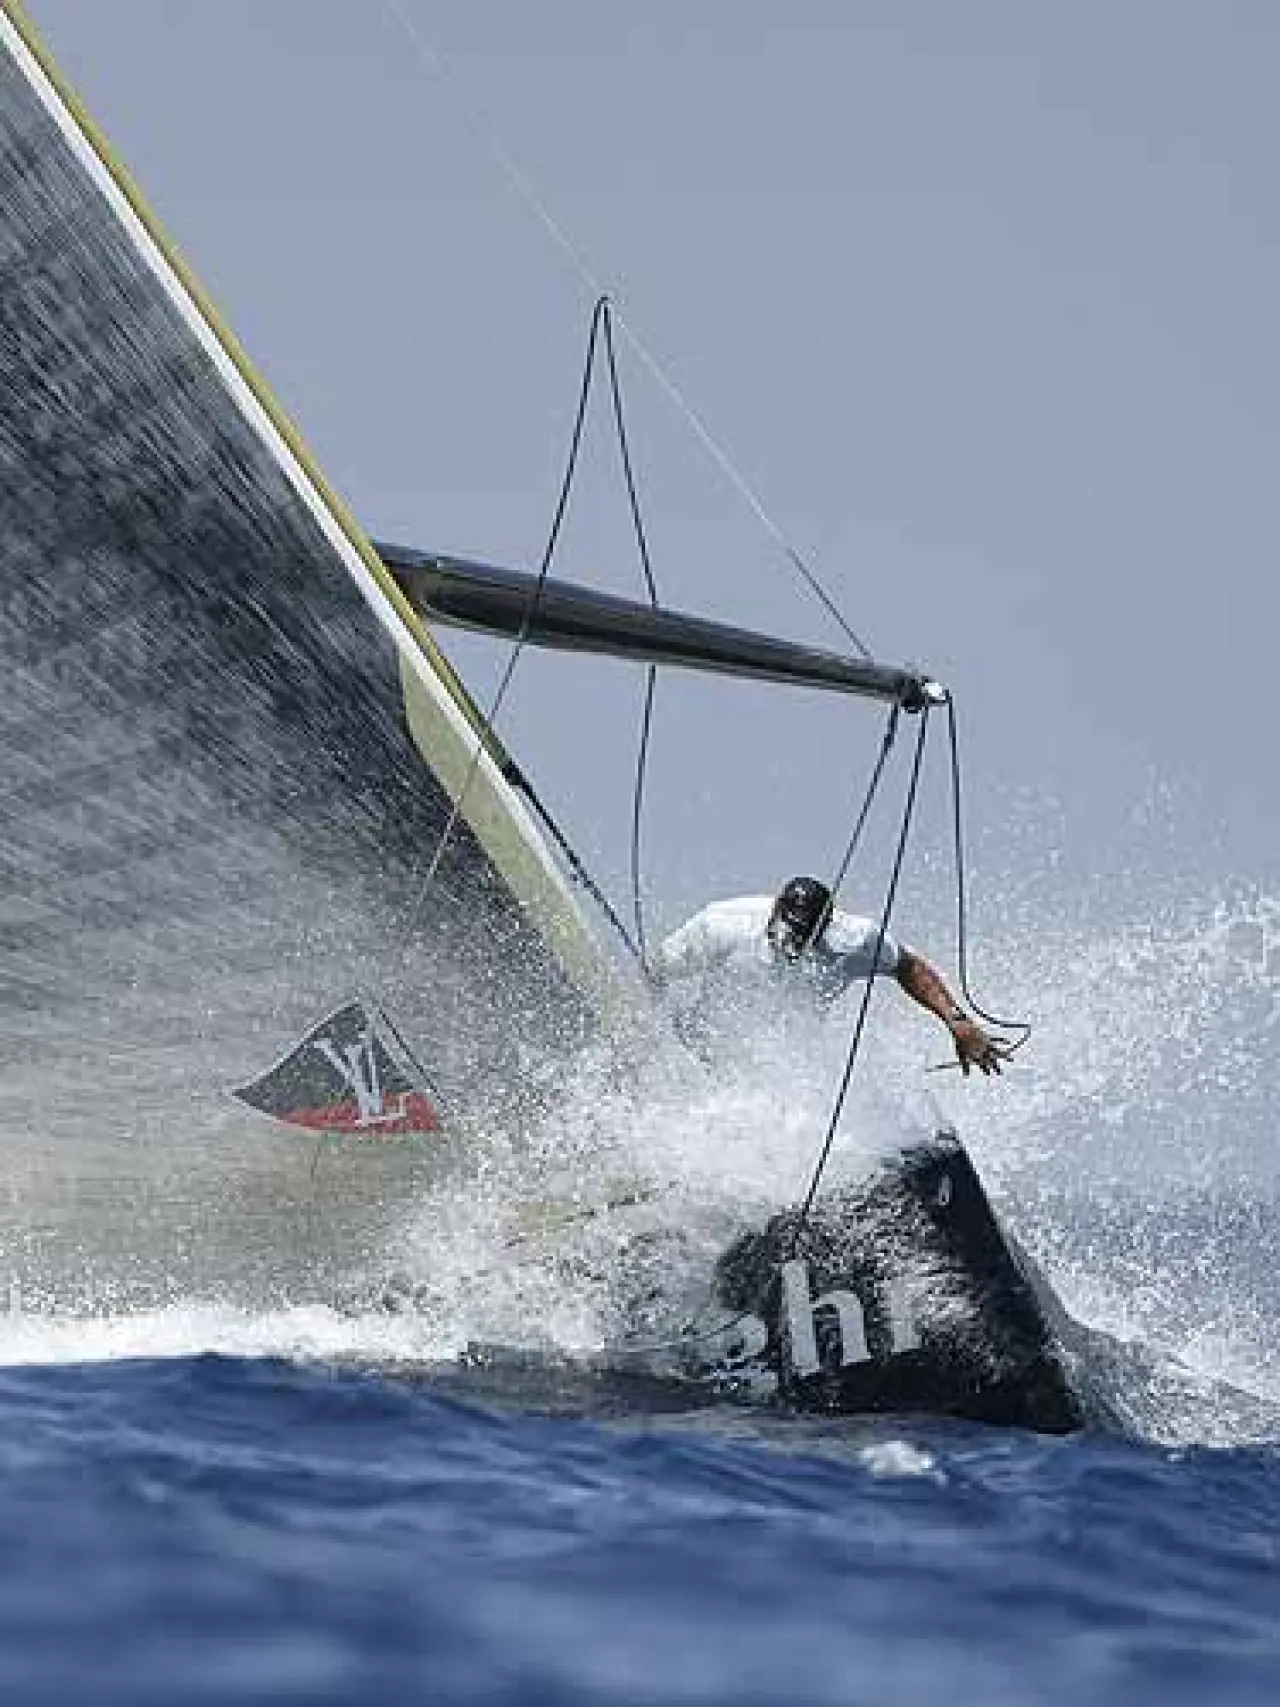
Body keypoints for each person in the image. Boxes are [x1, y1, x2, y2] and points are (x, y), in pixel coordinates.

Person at [648, 875, 1009, 1076]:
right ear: (774, 912)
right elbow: (655, 973)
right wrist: (653, 1034)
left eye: (804, 937)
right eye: (786, 932)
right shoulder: (722, 926)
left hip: (787, 1064)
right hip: (701, 1048)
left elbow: (908, 966)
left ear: (825, 926)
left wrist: (956, 1021)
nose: (792, 944)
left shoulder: (854, 940)